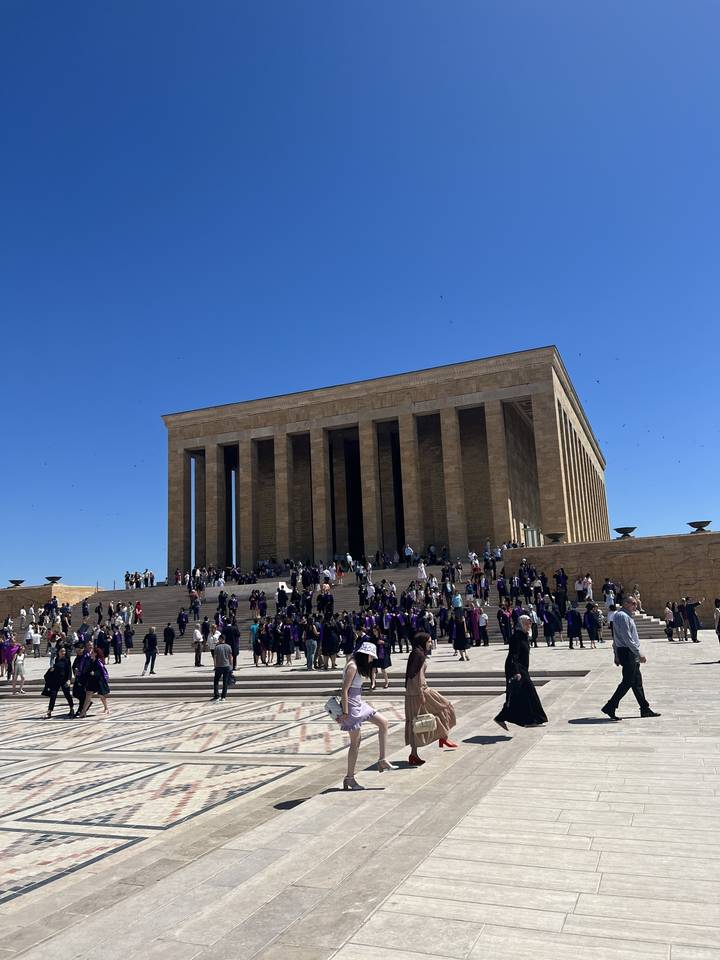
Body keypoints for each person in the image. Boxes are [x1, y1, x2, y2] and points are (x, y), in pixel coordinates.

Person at [337, 640, 396, 790]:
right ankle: (349, 778)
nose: (371, 660)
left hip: (358, 703)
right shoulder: (353, 666)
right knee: (355, 743)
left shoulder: (356, 665)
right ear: (364, 655)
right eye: (370, 657)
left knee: (383, 723)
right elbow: (344, 690)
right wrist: (345, 712)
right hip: (351, 707)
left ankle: (382, 759)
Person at [601, 595, 660, 721]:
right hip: (628, 652)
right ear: (626, 603)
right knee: (628, 681)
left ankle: (645, 709)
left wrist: (616, 655)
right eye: (634, 603)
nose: (636, 606)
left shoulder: (625, 616)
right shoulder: (622, 616)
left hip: (627, 652)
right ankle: (610, 706)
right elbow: (626, 638)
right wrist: (638, 653)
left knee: (636, 682)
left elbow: (617, 638)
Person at [404, 633, 457, 765]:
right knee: (445, 706)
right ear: (422, 642)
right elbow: (418, 676)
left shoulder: (415, 653)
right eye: (428, 641)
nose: (430, 643)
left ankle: (414, 754)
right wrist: (421, 692)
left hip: (412, 693)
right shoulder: (419, 655)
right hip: (420, 691)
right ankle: (443, 737)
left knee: (415, 722)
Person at [495, 615, 548, 730]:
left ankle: (506, 717)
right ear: (521, 623)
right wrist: (516, 672)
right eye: (527, 623)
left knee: (520, 696)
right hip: (515, 669)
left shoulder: (523, 636)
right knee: (529, 693)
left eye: (530, 623)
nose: (529, 625)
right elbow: (513, 656)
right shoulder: (517, 637)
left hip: (522, 668)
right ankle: (532, 720)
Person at [77, 648, 110, 717]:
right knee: (88, 695)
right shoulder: (90, 661)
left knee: (101, 696)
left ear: (95, 654)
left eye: (92, 652)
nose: (91, 653)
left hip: (98, 681)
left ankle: (106, 708)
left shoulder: (99, 662)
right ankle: (83, 712)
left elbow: (103, 671)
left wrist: (95, 673)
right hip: (91, 681)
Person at [43, 645, 74, 718]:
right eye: (61, 651)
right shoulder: (56, 659)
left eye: (64, 651)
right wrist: (51, 670)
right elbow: (53, 669)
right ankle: (49, 711)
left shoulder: (67, 660)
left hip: (64, 680)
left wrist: (69, 680)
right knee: (53, 695)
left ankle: (71, 708)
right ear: (58, 652)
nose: (63, 652)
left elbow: (69, 671)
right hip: (56, 680)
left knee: (67, 695)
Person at [212, 633, 233, 702]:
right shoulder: (228, 647)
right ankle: (223, 696)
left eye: (219, 639)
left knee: (216, 681)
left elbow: (215, 658)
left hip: (219, 666)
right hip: (226, 666)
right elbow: (230, 657)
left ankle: (217, 696)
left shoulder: (217, 647)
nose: (218, 640)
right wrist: (231, 666)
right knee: (225, 682)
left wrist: (215, 666)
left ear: (221, 639)